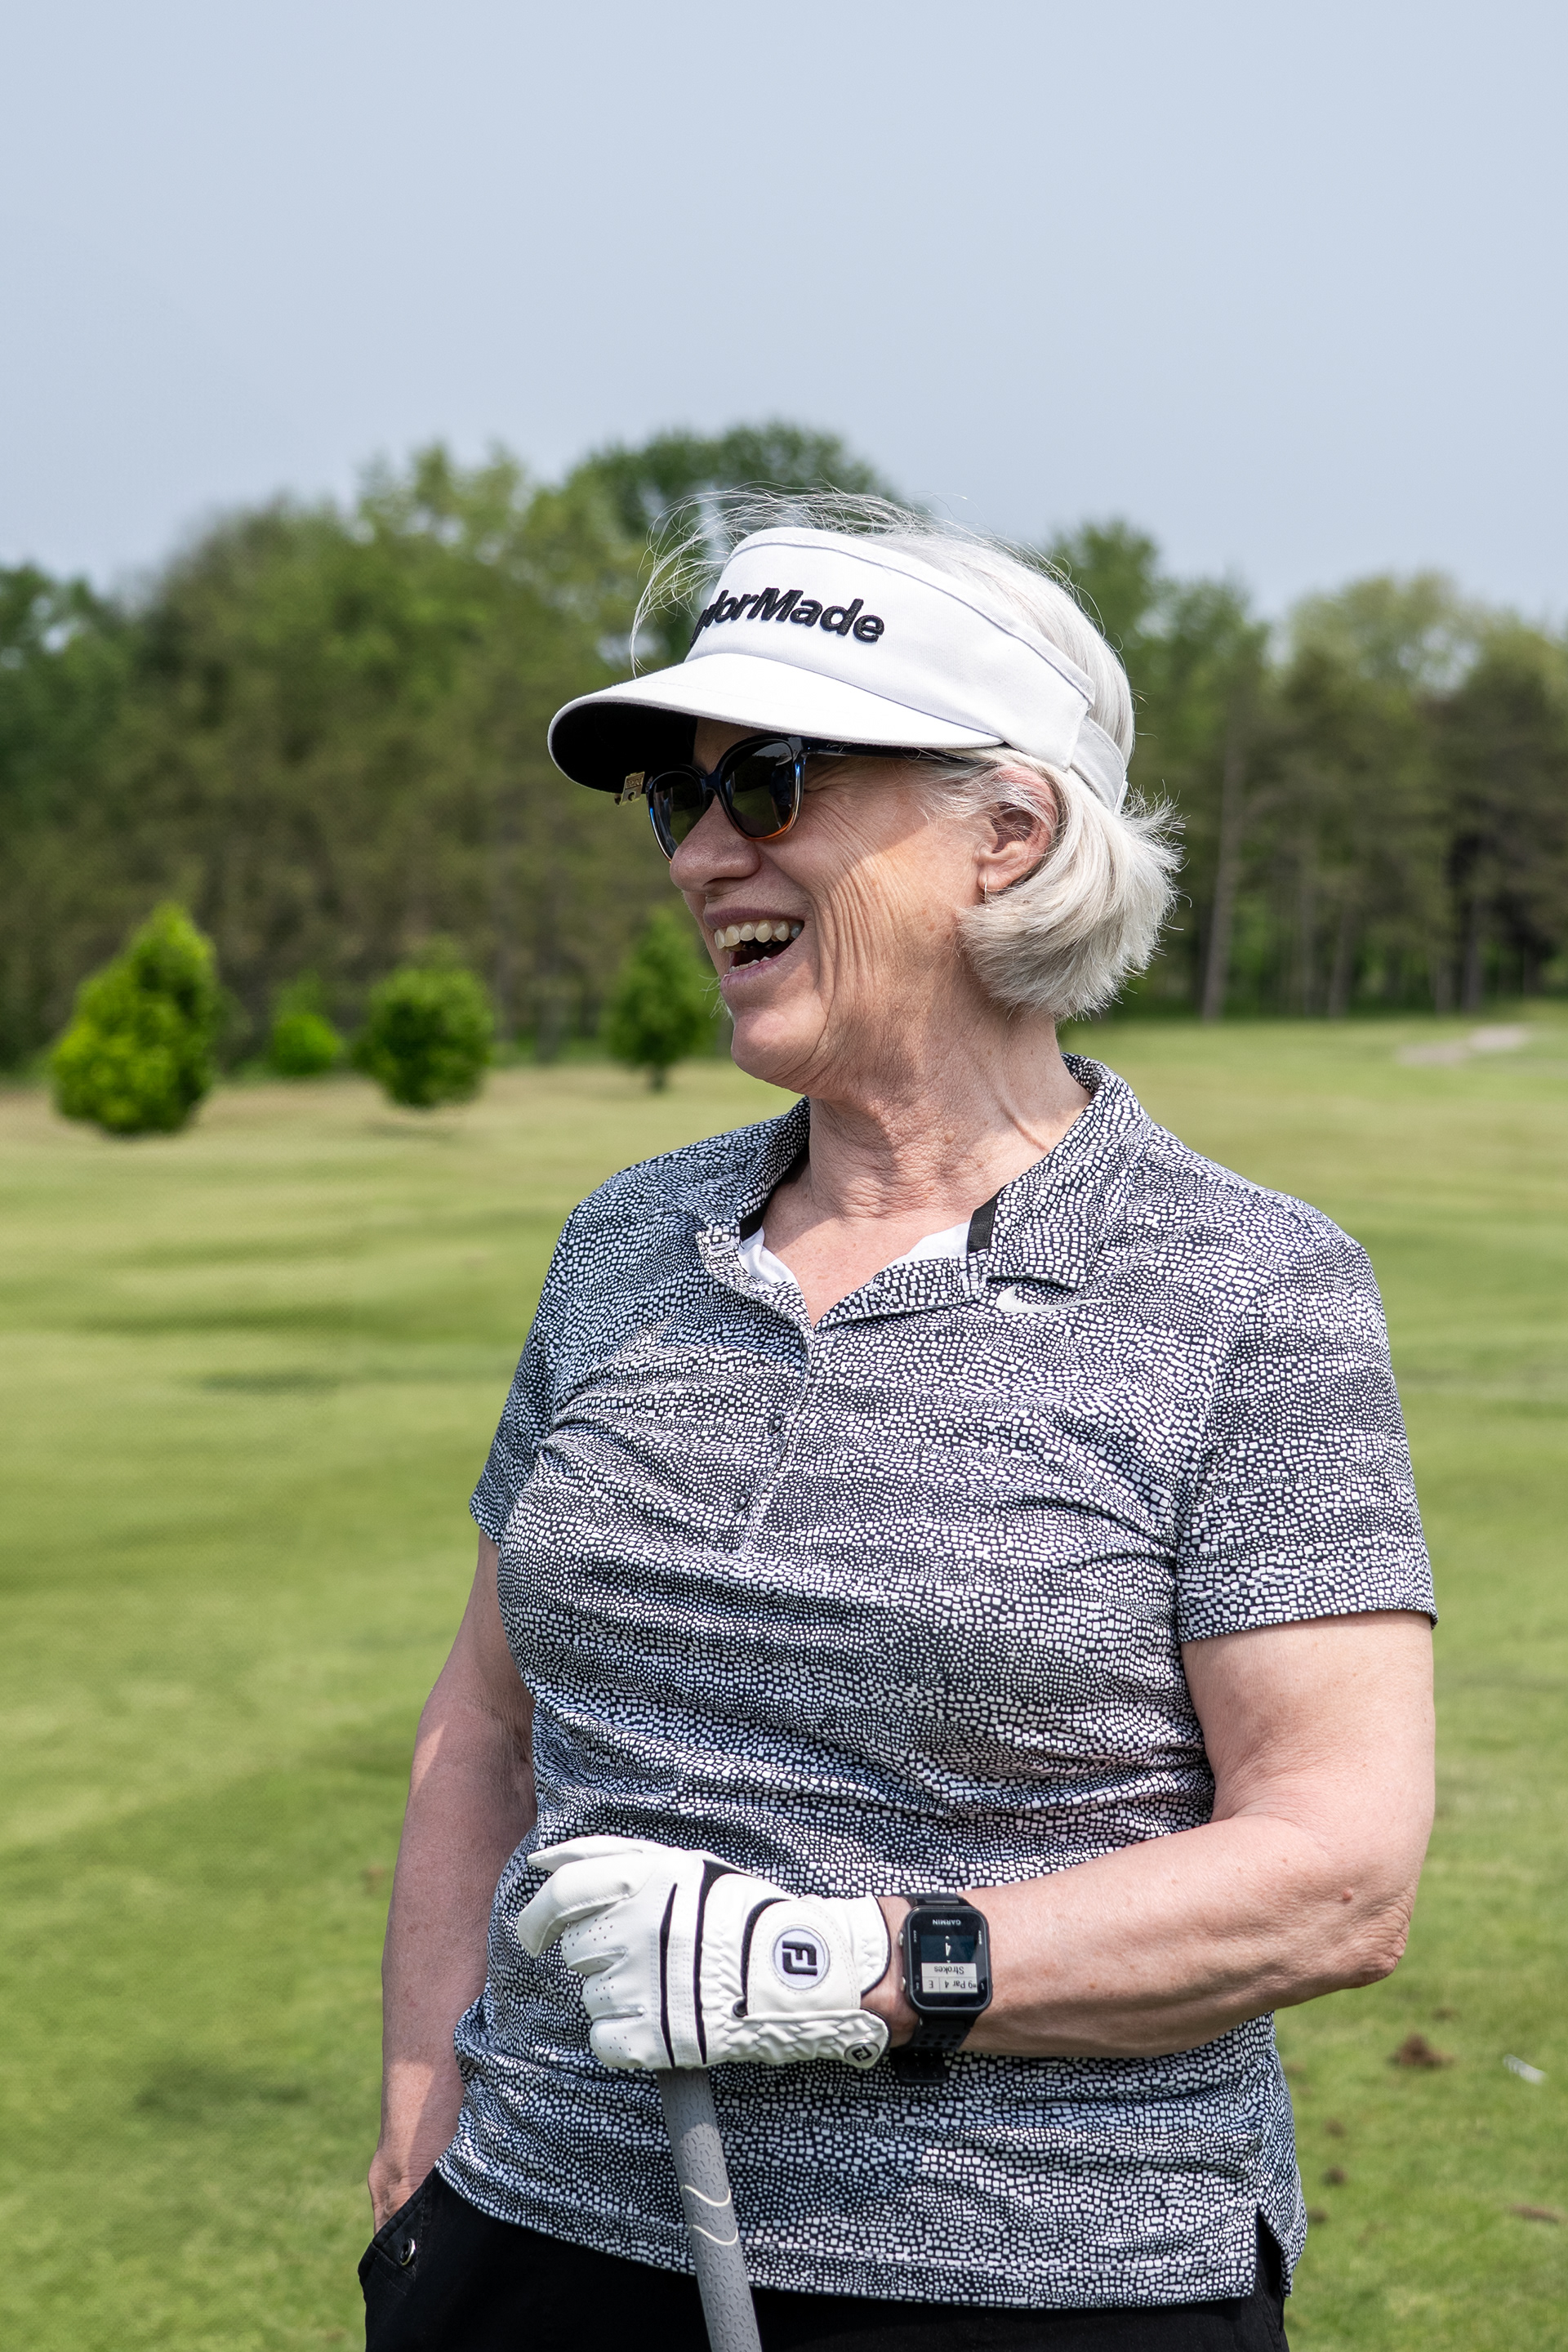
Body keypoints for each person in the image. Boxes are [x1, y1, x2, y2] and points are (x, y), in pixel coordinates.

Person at [363, 501, 1436, 2352]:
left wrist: (841, 1966)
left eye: (770, 783)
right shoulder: (626, 1241)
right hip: (528, 2241)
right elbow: (486, 1727)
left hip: (1036, 2281)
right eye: (676, 799)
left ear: (1010, 834)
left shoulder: (1252, 1287)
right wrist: (421, 2129)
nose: (705, 852)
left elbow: (1336, 1875)